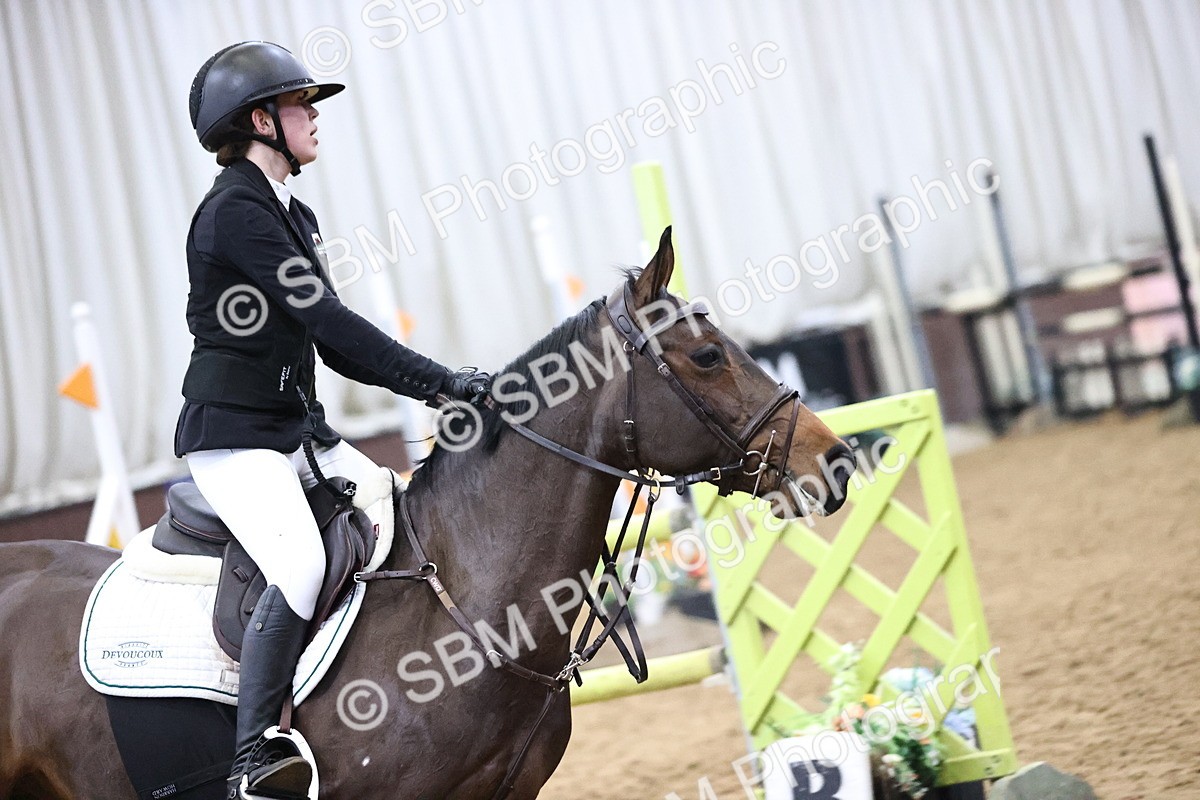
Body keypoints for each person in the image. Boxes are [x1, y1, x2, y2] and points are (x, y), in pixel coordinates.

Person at [183, 41, 489, 800]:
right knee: (303, 565)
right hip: (234, 439)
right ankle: (253, 757)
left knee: (402, 516)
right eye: (300, 104)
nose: (315, 116)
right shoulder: (233, 215)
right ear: (260, 120)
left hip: (297, 433)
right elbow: (331, 322)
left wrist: (444, 386)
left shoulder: (294, 212)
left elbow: (335, 349)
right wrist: (444, 383)